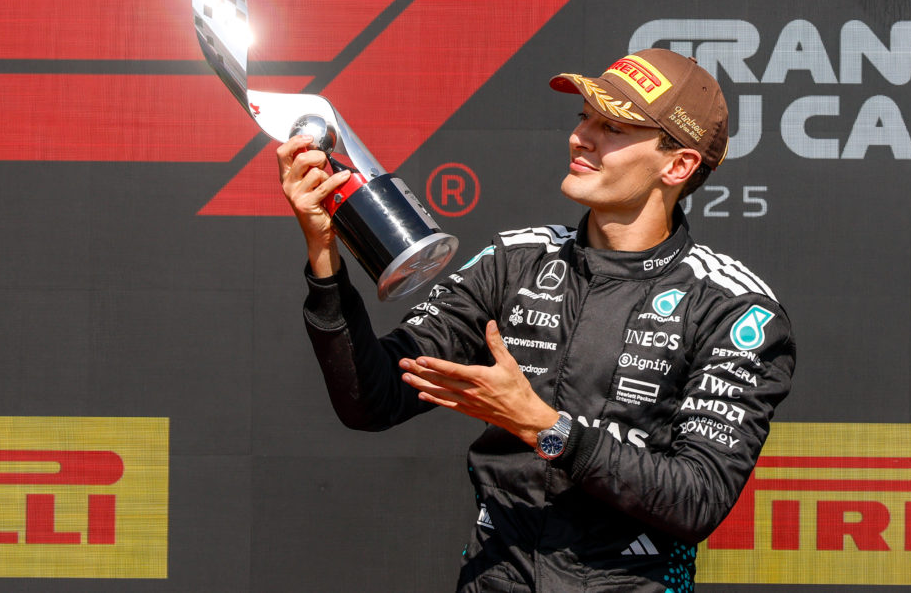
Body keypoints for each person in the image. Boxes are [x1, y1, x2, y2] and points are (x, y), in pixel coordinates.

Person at [278, 48, 795, 593]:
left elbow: (698, 499)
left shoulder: (734, 309)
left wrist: (546, 429)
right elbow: (371, 398)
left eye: (612, 127)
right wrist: (324, 254)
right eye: (584, 118)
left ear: (678, 165)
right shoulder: (516, 262)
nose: (580, 137)